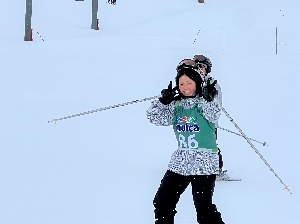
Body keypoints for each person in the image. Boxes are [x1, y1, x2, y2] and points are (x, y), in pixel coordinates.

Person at [146, 59, 225, 224]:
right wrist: (162, 102)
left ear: (197, 83)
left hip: (204, 162)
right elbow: (155, 118)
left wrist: (209, 98)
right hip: (181, 161)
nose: (185, 87)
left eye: (189, 83)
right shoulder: (175, 105)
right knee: (163, 202)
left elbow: (214, 115)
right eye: (181, 84)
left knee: (204, 209)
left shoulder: (204, 103)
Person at [193, 55, 225, 176]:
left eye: (201, 67)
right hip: (192, 121)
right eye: (196, 67)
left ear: (207, 69)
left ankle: (217, 169)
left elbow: (217, 103)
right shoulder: (190, 81)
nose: (199, 69)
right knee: (193, 145)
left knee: (209, 146)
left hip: (208, 123)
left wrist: (209, 97)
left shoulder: (212, 84)